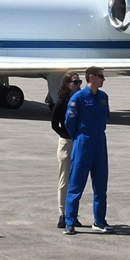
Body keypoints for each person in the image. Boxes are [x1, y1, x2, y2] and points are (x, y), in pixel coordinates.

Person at [63, 66, 112, 234]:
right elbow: (70, 123)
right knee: (76, 184)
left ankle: (99, 221)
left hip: (99, 142)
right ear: (91, 77)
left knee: (101, 185)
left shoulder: (104, 97)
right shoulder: (79, 98)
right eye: (100, 76)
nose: (103, 79)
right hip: (83, 142)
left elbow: (106, 116)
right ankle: (70, 222)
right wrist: (79, 138)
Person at [51, 71, 83, 229]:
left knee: (76, 180)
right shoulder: (62, 103)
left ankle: (73, 214)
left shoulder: (81, 100)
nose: (78, 85)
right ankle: (62, 214)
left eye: (79, 82)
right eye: (75, 82)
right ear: (68, 84)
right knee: (64, 180)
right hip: (66, 142)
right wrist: (65, 134)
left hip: (78, 142)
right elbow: (54, 123)